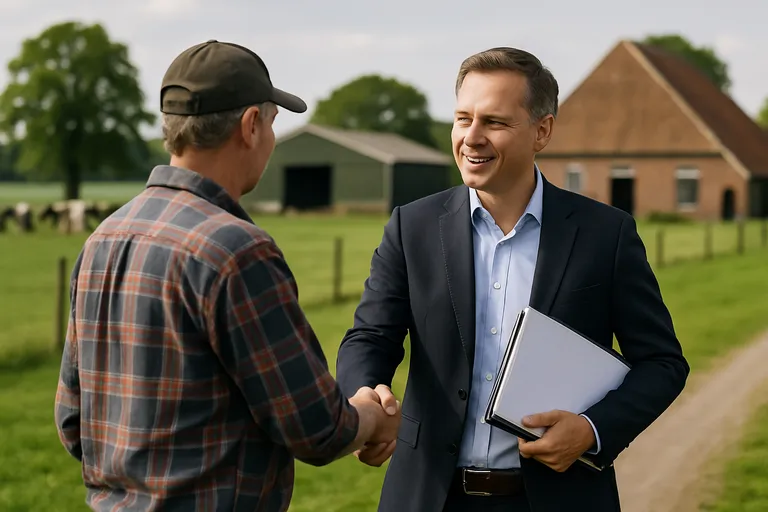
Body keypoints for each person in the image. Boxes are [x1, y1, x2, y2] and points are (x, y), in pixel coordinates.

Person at [335, 47, 690, 511]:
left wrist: (591, 430)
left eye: (495, 123)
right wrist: (365, 393)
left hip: (559, 497)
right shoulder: (411, 226)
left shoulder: (607, 235)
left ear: (541, 131)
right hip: (427, 496)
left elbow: (662, 363)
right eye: (463, 119)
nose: (472, 137)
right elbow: (369, 337)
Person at [54, 40, 400, 512]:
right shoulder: (236, 251)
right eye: (273, 124)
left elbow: (73, 421)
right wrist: (374, 417)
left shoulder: (104, 237)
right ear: (250, 125)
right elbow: (316, 426)